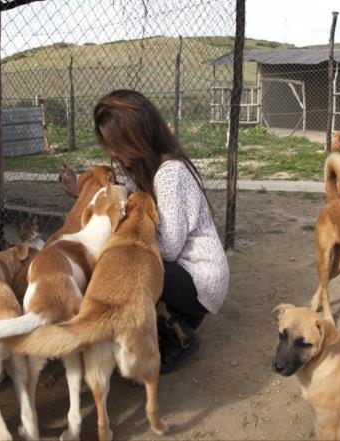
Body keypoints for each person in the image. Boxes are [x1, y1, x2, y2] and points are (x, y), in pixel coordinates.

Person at [59, 89, 229, 374]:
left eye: (116, 144)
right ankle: (173, 324)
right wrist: (84, 193)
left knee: (123, 262)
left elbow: (168, 248)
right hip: (182, 276)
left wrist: (113, 239)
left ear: (137, 135)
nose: (112, 153)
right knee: (122, 257)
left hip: (200, 280)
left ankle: (179, 336)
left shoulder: (170, 173)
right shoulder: (149, 167)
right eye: (108, 146)